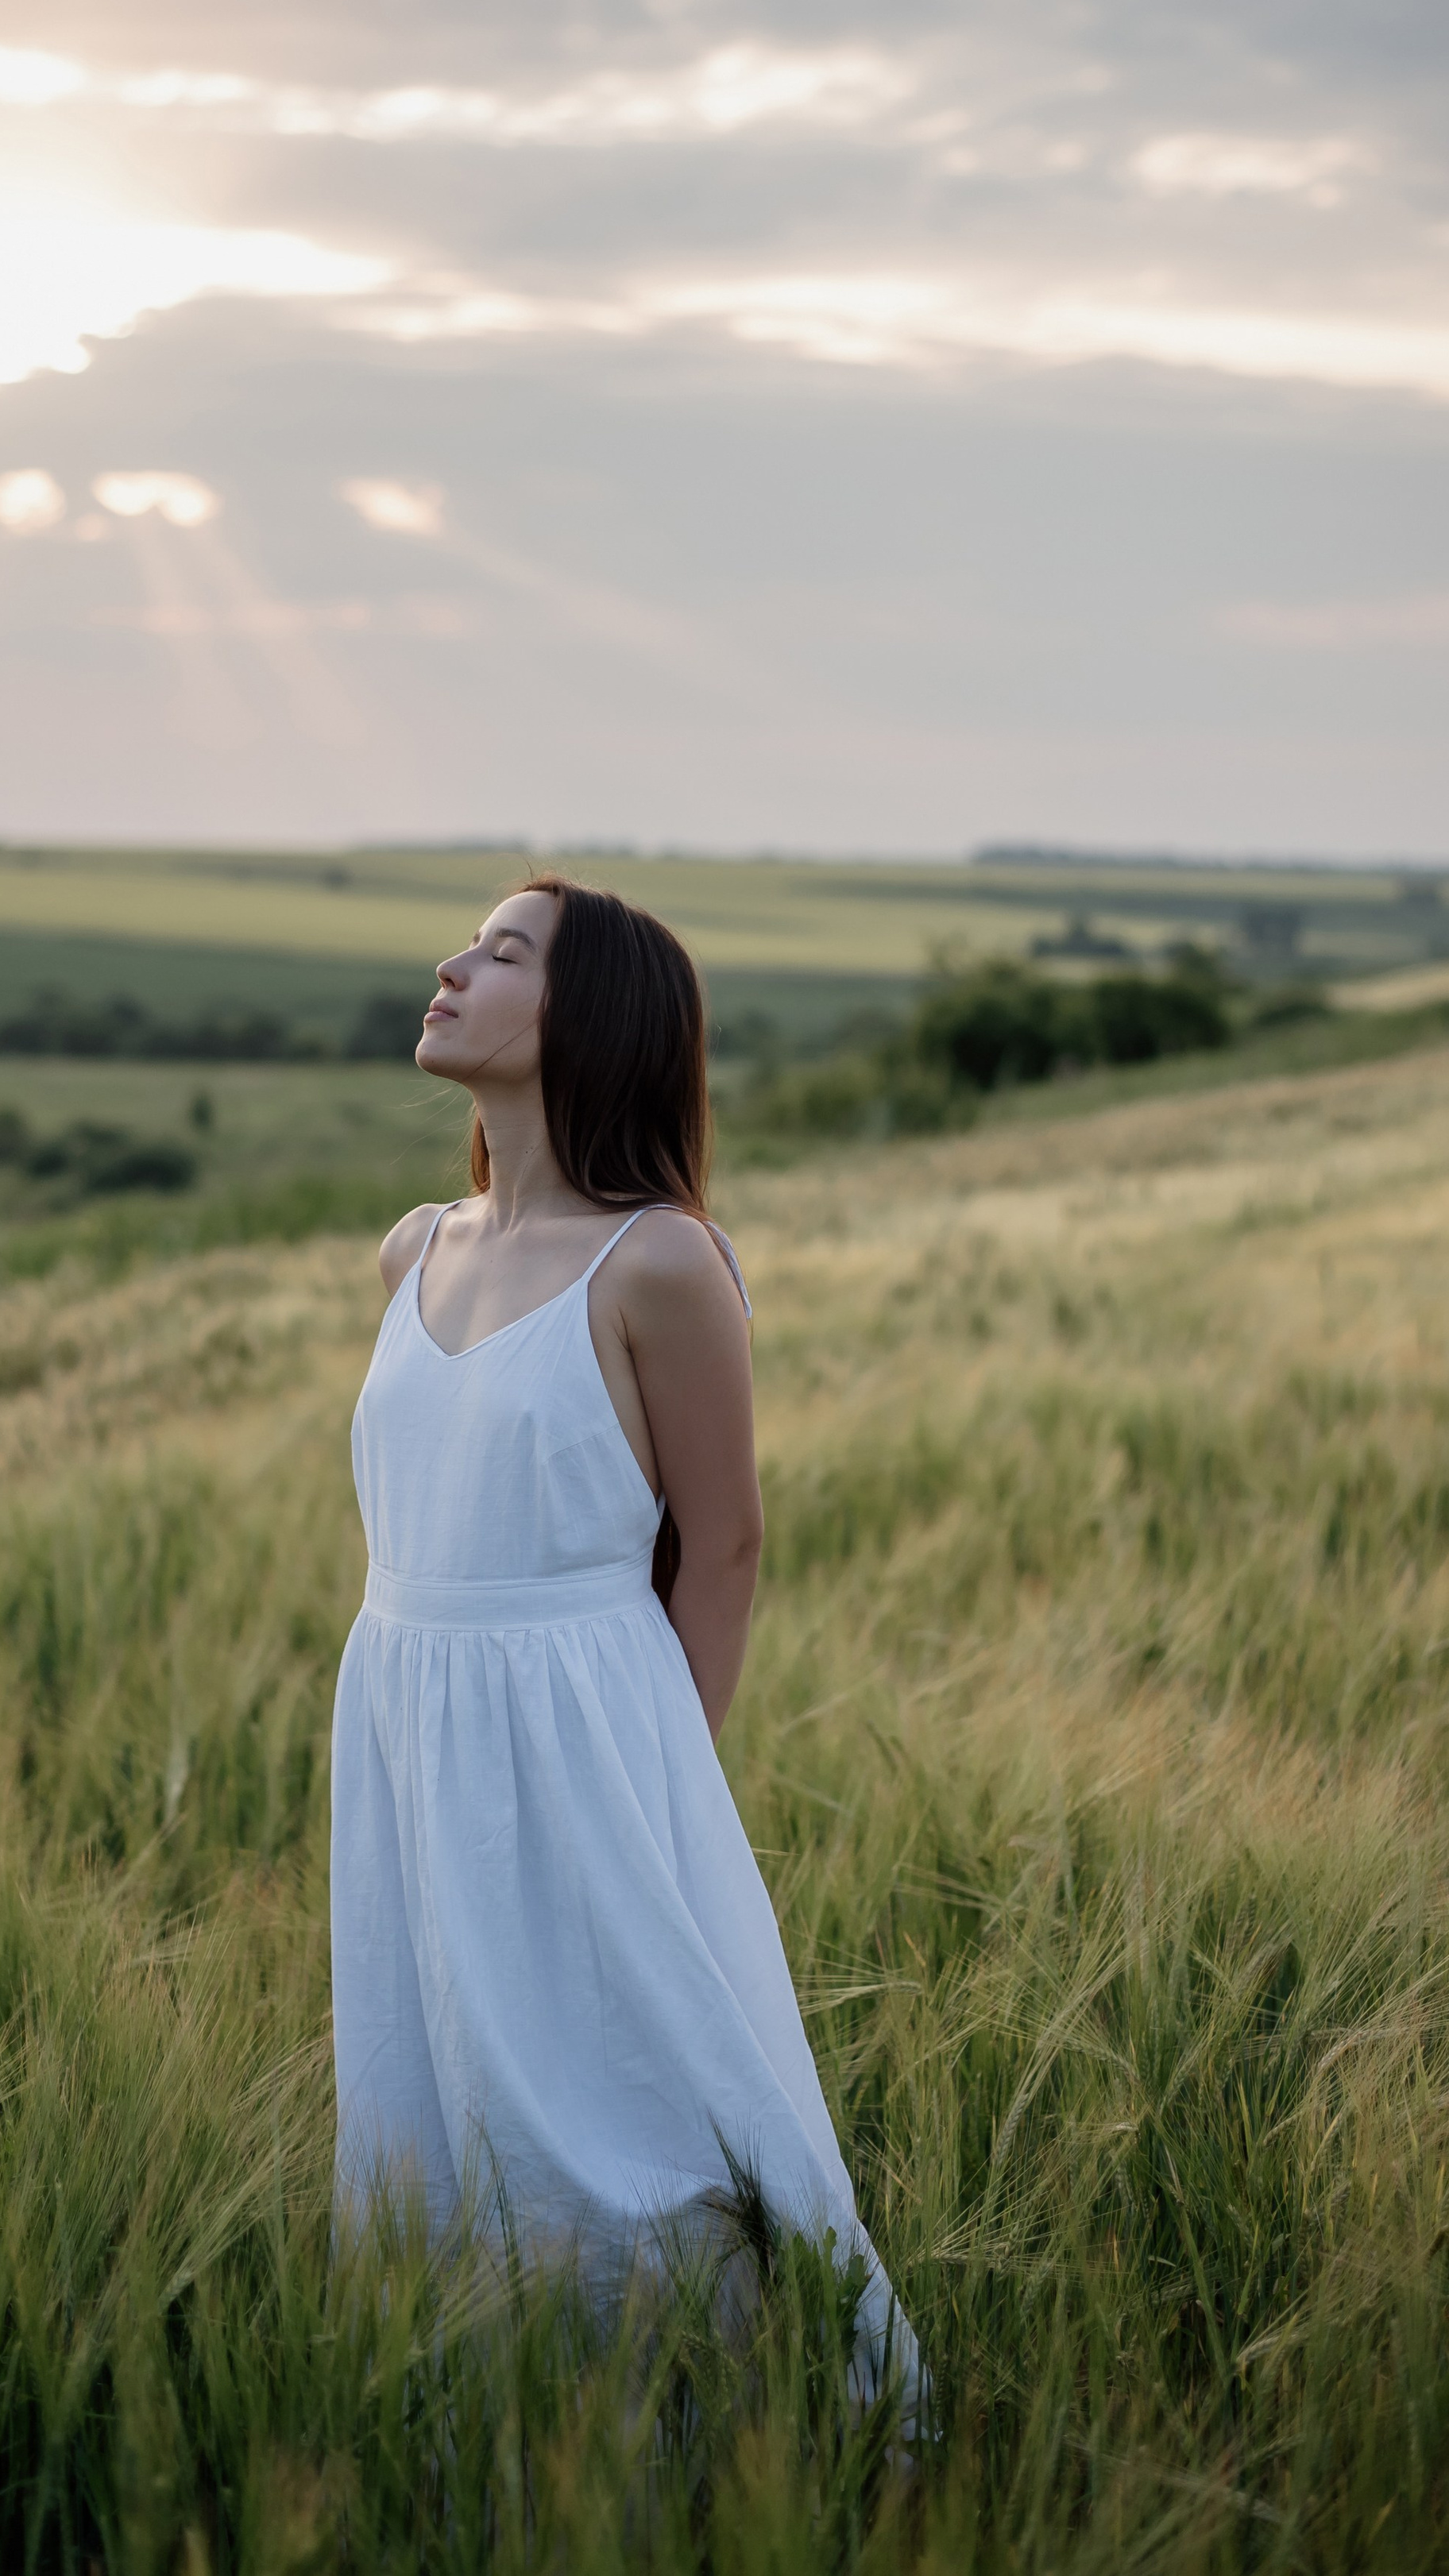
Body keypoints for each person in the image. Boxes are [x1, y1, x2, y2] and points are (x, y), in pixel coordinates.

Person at [329, 875, 922, 2417]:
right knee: (441, 2104)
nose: (451, 964)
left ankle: (749, 2426)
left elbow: (721, 1543)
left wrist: (661, 1788)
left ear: (581, 1015)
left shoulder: (658, 1262)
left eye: (502, 952)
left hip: (587, 1735)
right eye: (465, 941)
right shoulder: (410, 1250)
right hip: (403, 1720)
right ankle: (502, 2433)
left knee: (632, 2118)